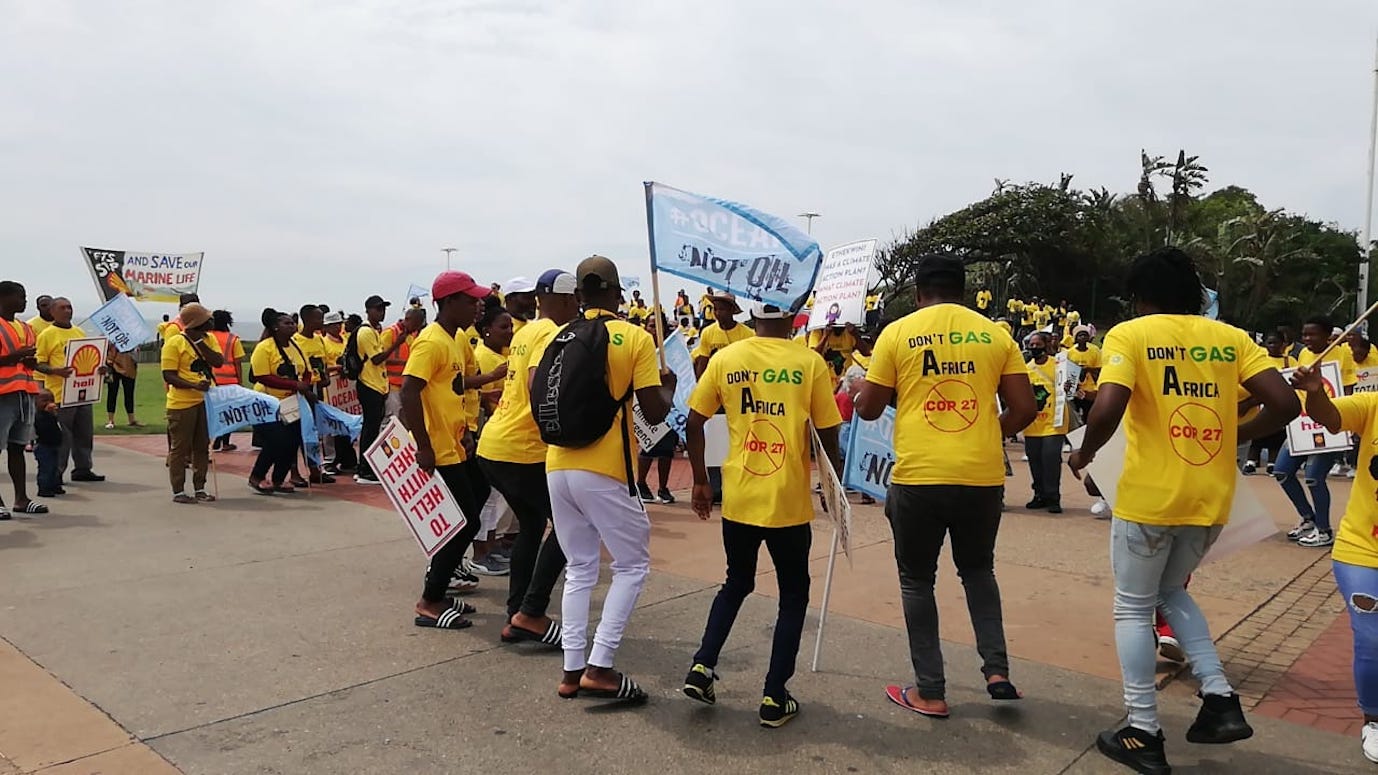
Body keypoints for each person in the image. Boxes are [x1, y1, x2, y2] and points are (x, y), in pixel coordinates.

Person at [1067, 246, 1298, 774]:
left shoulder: (1131, 333)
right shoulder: (1233, 339)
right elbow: (1285, 405)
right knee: (1169, 592)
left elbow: (1108, 404)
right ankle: (1219, 698)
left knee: (1132, 606)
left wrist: (1085, 453)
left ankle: (1142, 731)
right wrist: (1234, 434)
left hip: (1151, 497)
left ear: (1139, 296)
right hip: (1211, 497)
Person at [855, 253, 1037, 719]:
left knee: (917, 581)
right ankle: (998, 673)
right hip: (981, 477)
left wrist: (857, 393)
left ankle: (931, 691)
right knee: (978, 572)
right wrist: (984, 432)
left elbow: (871, 409)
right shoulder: (997, 335)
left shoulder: (898, 333)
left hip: (919, 477)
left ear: (919, 293)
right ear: (962, 290)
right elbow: (1024, 409)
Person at [681, 300, 843, 727]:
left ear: (752, 320)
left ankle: (702, 665)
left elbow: (693, 423)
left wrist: (700, 479)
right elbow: (829, 433)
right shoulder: (809, 363)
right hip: (788, 501)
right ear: (792, 320)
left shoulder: (726, 358)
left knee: (736, 583)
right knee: (793, 595)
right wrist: (833, 487)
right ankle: (774, 695)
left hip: (739, 494)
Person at [541, 256, 674, 703]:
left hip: (557, 464)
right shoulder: (634, 337)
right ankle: (600, 667)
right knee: (632, 565)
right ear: (618, 293)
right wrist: (667, 387)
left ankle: (571, 669)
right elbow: (654, 412)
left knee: (579, 568)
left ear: (578, 295)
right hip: (604, 468)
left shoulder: (559, 337)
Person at [478, 269, 580, 647]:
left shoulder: (525, 332)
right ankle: (531, 612)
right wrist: (560, 430)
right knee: (571, 524)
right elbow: (540, 383)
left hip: (496, 445)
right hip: (522, 448)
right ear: (567, 300)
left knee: (532, 524)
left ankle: (518, 610)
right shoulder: (552, 332)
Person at [1288, 364, 1378, 764]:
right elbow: (1329, 416)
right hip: (1362, 550)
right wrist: (1313, 390)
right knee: (1372, 637)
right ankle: (1373, 720)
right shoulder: (1374, 405)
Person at [400, 270, 491, 630]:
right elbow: (409, 391)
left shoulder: (455, 339)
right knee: (464, 519)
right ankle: (430, 600)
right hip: (436, 448)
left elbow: (451, 391)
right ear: (449, 302)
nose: (477, 305)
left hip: (454, 443)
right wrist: (423, 447)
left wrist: (465, 433)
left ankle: (440, 585)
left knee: (478, 497)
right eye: (470, 300)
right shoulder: (432, 341)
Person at [1274, 315, 1357, 548]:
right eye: (1304, 334)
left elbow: (1348, 390)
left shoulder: (1343, 354)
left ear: (1328, 335)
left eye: (1313, 334)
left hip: (1330, 424)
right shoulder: (1304, 355)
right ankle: (1308, 519)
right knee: (1281, 471)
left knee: (1314, 477)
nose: (1307, 339)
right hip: (1302, 425)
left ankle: (1324, 530)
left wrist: (1345, 424)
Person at [34, 297, 105, 485]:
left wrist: (100, 369)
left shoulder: (80, 332)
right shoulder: (47, 335)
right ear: (52, 312)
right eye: (62, 308)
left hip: (82, 391)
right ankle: (56, 472)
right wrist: (55, 371)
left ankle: (83, 468)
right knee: (63, 436)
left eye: (69, 307)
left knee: (84, 433)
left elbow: (89, 357)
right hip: (60, 393)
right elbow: (39, 363)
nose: (67, 311)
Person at [468, 302, 515, 576]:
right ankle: (481, 552)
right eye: (503, 327)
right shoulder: (483, 357)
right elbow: (482, 396)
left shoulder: (505, 354)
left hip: (500, 429)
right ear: (487, 331)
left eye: (510, 326)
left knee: (496, 495)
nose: (508, 332)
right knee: (486, 494)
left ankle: (492, 544)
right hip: (488, 429)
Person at [693, 291, 753, 504]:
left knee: (739, 439)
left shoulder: (747, 334)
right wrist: (702, 389)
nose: (718, 313)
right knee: (715, 442)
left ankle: (740, 484)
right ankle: (717, 487)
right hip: (715, 396)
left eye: (722, 309)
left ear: (732, 311)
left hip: (739, 396)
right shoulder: (708, 333)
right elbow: (702, 362)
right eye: (715, 309)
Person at [160, 303, 223, 504]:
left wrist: (200, 343)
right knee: (180, 448)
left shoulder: (209, 339)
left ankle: (200, 487)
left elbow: (218, 361)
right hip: (181, 403)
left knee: (202, 446)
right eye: (208, 318)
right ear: (198, 321)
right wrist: (194, 385)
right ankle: (178, 490)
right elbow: (168, 375)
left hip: (205, 401)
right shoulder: (174, 343)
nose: (212, 321)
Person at [247, 309, 314, 495]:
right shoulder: (265, 347)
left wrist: (304, 385)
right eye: (287, 323)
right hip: (268, 402)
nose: (292, 325)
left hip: (292, 402)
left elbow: (307, 371)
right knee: (276, 440)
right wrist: (294, 384)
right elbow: (261, 376)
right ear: (275, 327)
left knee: (292, 441)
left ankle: (279, 478)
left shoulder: (296, 346)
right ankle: (257, 476)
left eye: (293, 323)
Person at [353, 295, 409, 485]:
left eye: (383, 309)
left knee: (373, 428)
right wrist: (397, 343)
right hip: (369, 385)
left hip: (376, 385)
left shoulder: (374, 331)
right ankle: (364, 470)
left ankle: (366, 467)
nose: (381, 312)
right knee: (370, 429)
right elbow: (377, 359)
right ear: (368, 310)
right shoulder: (366, 332)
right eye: (378, 309)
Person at [0, 281, 43, 517]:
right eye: (20, 296)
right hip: (2, 396)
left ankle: (21, 499)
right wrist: (15, 356)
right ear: (3, 298)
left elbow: (27, 361)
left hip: (24, 394)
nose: (24, 301)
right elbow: (9, 357)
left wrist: (29, 362)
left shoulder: (26, 328)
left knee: (17, 447)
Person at [1023, 331, 1070, 513]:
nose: (1034, 348)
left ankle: (1053, 497)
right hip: (1033, 424)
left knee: (1050, 459)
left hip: (1054, 422)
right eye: (1031, 345)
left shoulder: (1058, 365)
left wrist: (1068, 386)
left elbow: (1073, 388)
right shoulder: (1026, 368)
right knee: (1035, 459)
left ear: (1046, 344)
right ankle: (1039, 495)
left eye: (1037, 344)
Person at [635, 313, 678, 505]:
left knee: (666, 449)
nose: (655, 330)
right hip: (644, 406)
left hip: (668, 405)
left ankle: (663, 487)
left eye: (659, 326)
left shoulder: (671, 352)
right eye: (652, 326)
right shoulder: (639, 349)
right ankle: (641, 483)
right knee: (648, 448)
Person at [1241, 332, 1293, 475]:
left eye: (1275, 343)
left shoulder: (1290, 361)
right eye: (1269, 343)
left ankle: (1272, 463)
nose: (1272, 346)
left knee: (1276, 435)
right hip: (1259, 404)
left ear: (1283, 345)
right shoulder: (1260, 359)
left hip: (1278, 403)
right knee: (1257, 435)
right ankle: (1251, 462)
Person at [209, 310, 245, 452]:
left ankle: (214, 439)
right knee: (229, 413)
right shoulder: (233, 339)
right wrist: (240, 382)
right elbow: (238, 363)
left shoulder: (208, 337)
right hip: (230, 381)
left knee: (214, 412)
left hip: (212, 380)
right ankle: (225, 442)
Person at [383, 307, 426, 420]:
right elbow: (379, 359)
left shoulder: (411, 335)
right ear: (407, 319)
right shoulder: (390, 332)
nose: (416, 329)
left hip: (405, 386)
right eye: (415, 325)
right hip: (391, 386)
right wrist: (407, 362)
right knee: (391, 421)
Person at [1066, 325, 1101, 423]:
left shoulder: (1095, 351)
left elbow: (1099, 369)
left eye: (1085, 335)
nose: (1082, 338)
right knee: (1075, 413)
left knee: (1089, 413)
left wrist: (1088, 369)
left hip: (1091, 389)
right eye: (1079, 336)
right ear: (1075, 338)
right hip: (1076, 388)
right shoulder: (1070, 353)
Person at [32, 389, 61, 499]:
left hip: (54, 445)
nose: (49, 403)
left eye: (51, 400)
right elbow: (43, 428)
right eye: (44, 400)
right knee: (46, 468)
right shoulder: (38, 416)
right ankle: (44, 488)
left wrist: (53, 414)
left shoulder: (51, 415)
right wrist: (47, 413)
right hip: (43, 446)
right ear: (36, 403)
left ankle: (55, 485)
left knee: (54, 467)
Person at [103, 344, 140, 429]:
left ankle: (131, 419)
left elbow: (136, 353)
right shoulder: (111, 335)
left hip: (129, 367)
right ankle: (110, 420)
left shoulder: (132, 338)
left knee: (129, 394)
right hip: (113, 366)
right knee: (112, 393)